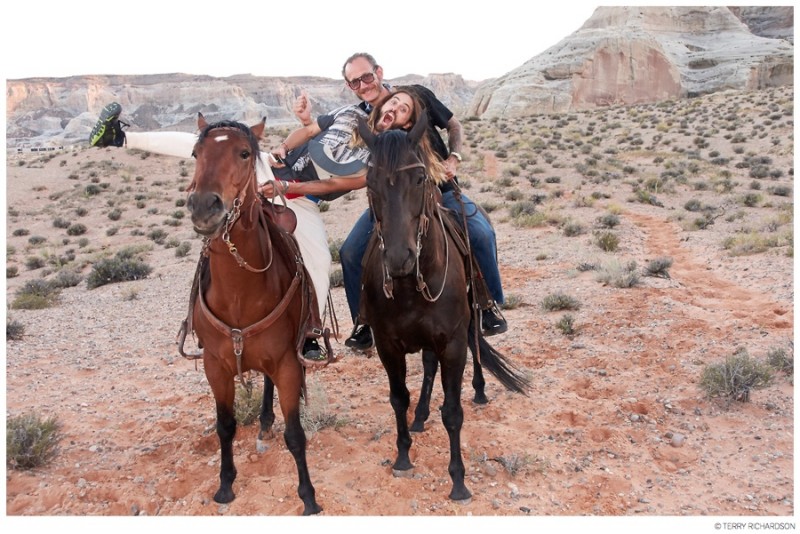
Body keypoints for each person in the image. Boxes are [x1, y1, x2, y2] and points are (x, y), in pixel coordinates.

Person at [301, 53, 507, 350]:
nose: (363, 85)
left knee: (480, 233)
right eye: (354, 81)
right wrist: (307, 123)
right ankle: (365, 321)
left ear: (379, 72)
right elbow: (336, 156)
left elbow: (454, 126)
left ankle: (488, 304)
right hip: (393, 200)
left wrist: (454, 156)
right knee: (349, 252)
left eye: (367, 77)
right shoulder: (368, 121)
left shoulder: (416, 95)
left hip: (441, 189)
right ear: (349, 86)